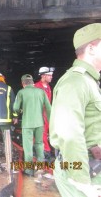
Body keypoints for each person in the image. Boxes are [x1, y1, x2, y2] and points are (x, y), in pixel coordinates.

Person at [50, 23, 101, 196]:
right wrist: (81, 181)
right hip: (80, 170)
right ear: (92, 48)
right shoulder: (76, 82)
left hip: (90, 164)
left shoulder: (89, 81)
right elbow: (69, 133)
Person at [13, 74, 51, 177]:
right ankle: (40, 167)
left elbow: (15, 108)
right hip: (40, 124)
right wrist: (50, 121)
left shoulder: (21, 92)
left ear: (23, 83)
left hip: (27, 124)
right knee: (39, 144)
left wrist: (17, 114)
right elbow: (48, 108)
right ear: (32, 82)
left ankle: (29, 171)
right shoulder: (41, 92)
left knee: (28, 147)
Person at [35, 67, 54, 162]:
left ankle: (45, 151)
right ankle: (45, 152)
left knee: (46, 133)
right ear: (43, 76)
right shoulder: (36, 87)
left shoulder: (49, 87)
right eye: (49, 75)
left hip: (47, 115)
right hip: (39, 115)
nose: (51, 77)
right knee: (41, 133)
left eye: (51, 75)